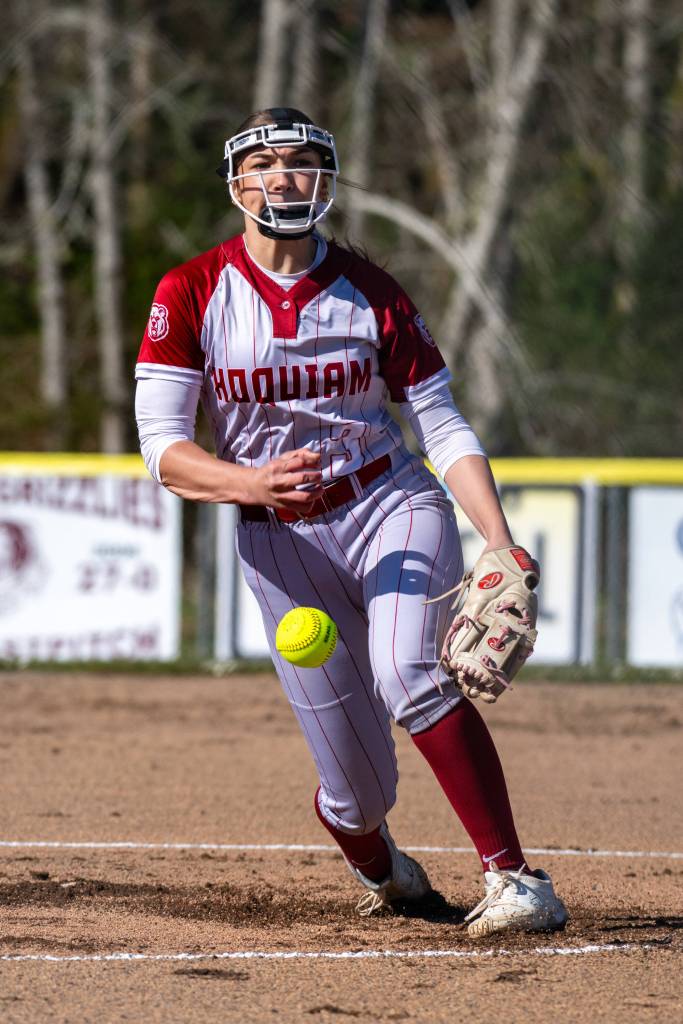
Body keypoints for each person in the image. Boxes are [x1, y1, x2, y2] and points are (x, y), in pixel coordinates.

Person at [134, 107, 567, 936]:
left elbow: (440, 426)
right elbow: (161, 447)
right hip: (278, 543)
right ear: (235, 185)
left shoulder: (370, 291)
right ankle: (387, 873)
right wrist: (247, 481)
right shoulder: (190, 290)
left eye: (300, 161)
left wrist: (497, 537)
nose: (283, 177)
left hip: (387, 504)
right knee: (355, 794)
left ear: (324, 180)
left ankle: (515, 880)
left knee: (410, 672)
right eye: (264, 163)